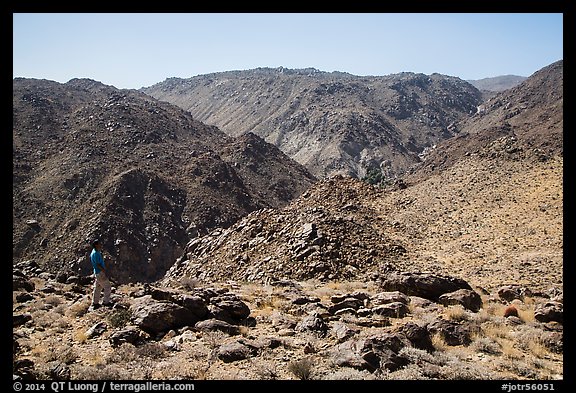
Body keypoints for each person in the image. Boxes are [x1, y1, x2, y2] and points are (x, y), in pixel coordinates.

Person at [89, 239, 112, 310]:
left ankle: (95, 302)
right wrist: (104, 271)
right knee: (107, 286)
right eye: (99, 244)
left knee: (98, 287)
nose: (101, 245)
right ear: (96, 245)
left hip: (96, 272)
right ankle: (106, 302)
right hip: (100, 272)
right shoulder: (96, 253)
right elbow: (98, 264)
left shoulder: (93, 251)